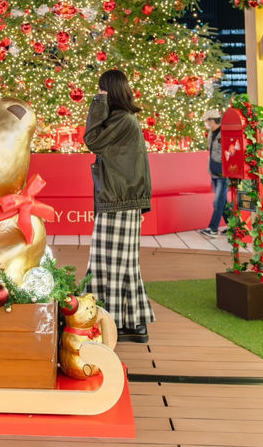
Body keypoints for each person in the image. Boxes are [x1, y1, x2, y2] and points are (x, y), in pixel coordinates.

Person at [83, 69, 155, 343]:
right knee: (119, 265)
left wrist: (98, 104)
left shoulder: (122, 120)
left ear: (110, 91)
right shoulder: (123, 119)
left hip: (119, 201)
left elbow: (92, 140)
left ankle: (110, 325)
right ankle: (131, 324)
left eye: (102, 90)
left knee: (108, 265)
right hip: (121, 200)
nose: (99, 94)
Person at [199, 109, 229, 238]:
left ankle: (213, 229)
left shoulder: (224, 133)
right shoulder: (211, 133)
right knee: (223, 202)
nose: (206, 124)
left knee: (218, 202)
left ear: (212, 120)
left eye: (207, 121)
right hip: (214, 172)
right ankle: (233, 227)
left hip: (223, 173)